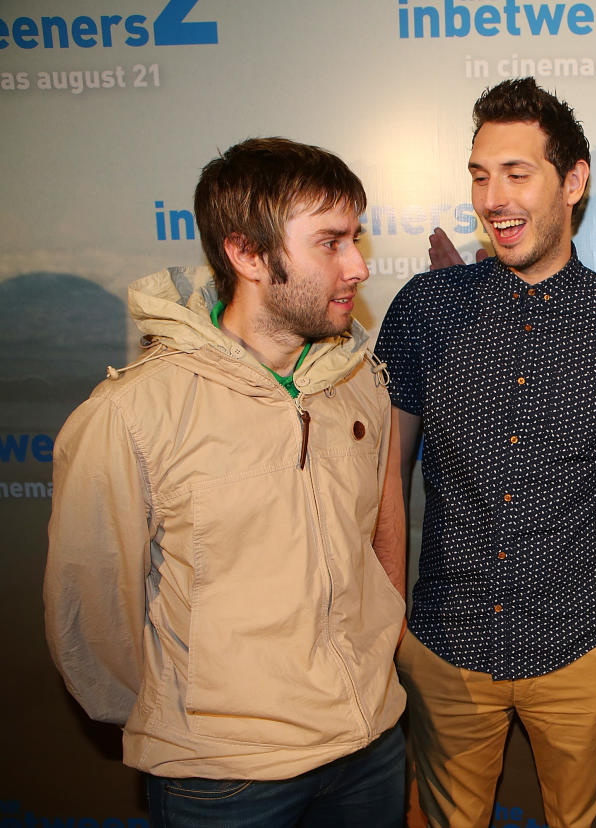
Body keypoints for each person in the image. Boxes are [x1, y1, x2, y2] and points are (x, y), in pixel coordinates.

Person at [45, 137, 408, 827]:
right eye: (330, 243)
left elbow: (382, 533)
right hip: (225, 780)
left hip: (370, 746)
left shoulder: (358, 381)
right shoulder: (132, 414)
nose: (359, 266)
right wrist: (191, 719)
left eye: (355, 239)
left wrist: (377, 648)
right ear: (246, 254)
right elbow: (91, 614)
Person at [375, 78, 596, 828]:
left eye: (517, 173)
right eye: (480, 175)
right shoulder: (427, 308)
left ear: (573, 180)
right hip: (445, 644)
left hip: (583, 644)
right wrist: (392, 625)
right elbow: (382, 473)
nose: (493, 197)